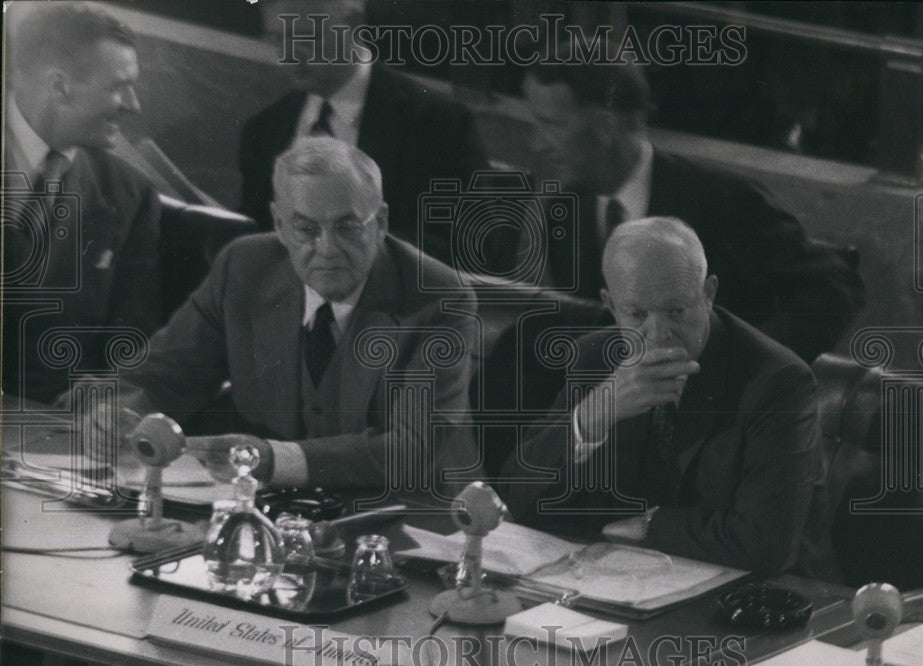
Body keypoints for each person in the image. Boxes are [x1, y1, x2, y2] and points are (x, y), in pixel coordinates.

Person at [116, 136, 477, 493]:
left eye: (347, 227)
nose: (327, 248)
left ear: (380, 222)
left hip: (414, 511)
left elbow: (411, 449)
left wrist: (273, 459)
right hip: (283, 506)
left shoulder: (439, 299)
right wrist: (121, 415)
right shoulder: (244, 267)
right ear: (279, 225)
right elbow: (165, 376)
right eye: (306, 229)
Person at [499, 217, 837, 578]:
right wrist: (593, 414)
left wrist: (648, 527)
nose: (659, 334)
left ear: (708, 294)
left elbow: (764, 545)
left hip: (762, 595)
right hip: (621, 581)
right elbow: (518, 496)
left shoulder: (777, 381)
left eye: (676, 311)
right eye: (637, 314)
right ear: (611, 305)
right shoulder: (595, 358)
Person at [518, 44, 865, 363]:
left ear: (606, 128)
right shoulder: (565, 209)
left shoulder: (722, 200)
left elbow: (834, 286)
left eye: (551, 125)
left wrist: (746, 363)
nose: (536, 144)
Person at [239, 0, 488, 267]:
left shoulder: (438, 123)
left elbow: (466, 244)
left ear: (355, 22)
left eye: (307, 37)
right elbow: (255, 237)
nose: (289, 56)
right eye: (277, 39)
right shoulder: (264, 129)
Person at [2, 2, 161, 403]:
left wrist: (104, 390)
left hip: (50, 425)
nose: (134, 104)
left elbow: (127, 343)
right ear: (59, 86)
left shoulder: (131, 196)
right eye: (118, 86)